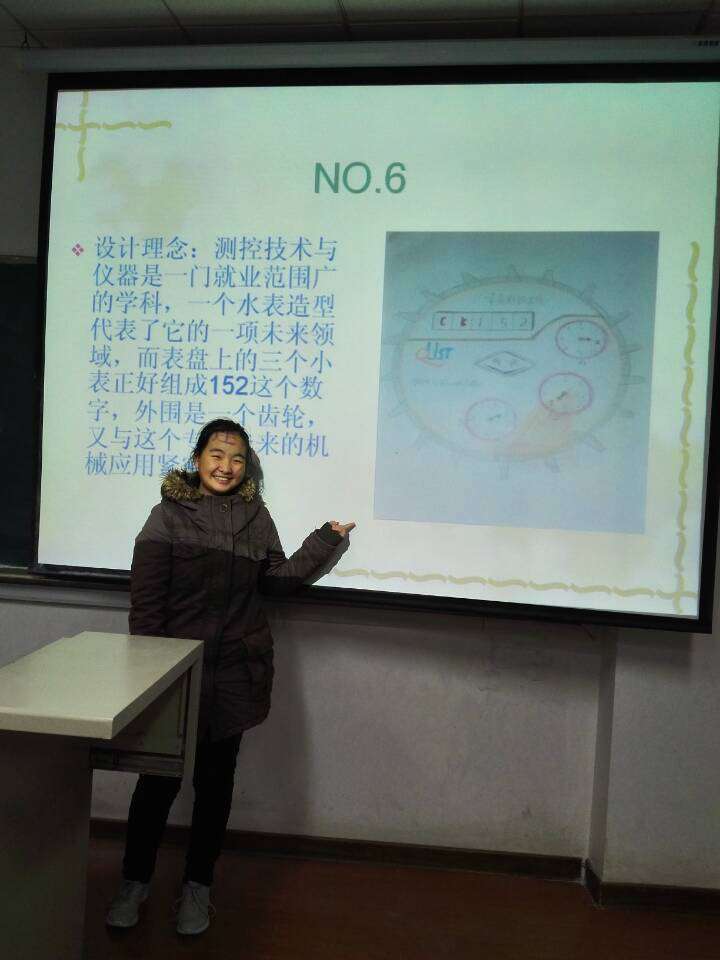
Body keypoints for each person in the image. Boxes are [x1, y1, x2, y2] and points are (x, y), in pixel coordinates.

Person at [105, 418, 354, 935]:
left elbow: (277, 582)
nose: (226, 466)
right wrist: (149, 675)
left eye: (237, 458)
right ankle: (134, 882)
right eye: (217, 455)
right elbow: (146, 606)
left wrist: (324, 541)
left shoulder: (257, 518)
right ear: (198, 460)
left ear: (247, 467)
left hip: (236, 675)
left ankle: (198, 887)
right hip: (176, 674)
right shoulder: (167, 516)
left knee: (215, 787)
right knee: (156, 785)